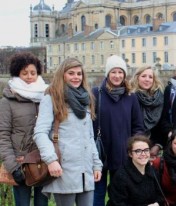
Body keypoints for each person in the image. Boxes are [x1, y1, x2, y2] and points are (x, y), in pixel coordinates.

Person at [33, 58, 103, 206]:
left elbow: (90, 136)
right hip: (64, 167)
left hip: (86, 169)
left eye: (79, 73)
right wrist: (51, 160)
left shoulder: (87, 98)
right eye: (71, 73)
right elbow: (40, 133)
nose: (76, 77)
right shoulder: (52, 97)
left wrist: (96, 164)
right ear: (62, 74)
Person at [92, 55, 144, 206]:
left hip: (122, 154)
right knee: (97, 194)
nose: (117, 76)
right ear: (107, 74)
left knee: (119, 196)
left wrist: (134, 148)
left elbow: (138, 126)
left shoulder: (131, 97)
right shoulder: (96, 94)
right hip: (100, 153)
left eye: (120, 72)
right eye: (113, 72)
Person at [0, 52, 49, 206]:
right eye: (24, 73)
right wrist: (13, 166)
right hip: (20, 163)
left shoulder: (46, 96)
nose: (29, 77)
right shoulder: (7, 101)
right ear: (17, 74)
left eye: (33, 73)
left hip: (43, 161)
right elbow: (3, 135)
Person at [107, 135, 164, 206]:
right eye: (138, 151)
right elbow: (118, 203)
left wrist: (157, 203)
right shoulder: (121, 176)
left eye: (146, 150)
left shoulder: (153, 171)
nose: (143, 154)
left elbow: (161, 196)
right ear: (130, 154)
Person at [130, 66, 164, 157]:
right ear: (137, 78)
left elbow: (162, 124)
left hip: (154, 147)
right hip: (134, 145)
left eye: (150, 77)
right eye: (143, 76)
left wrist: (158, 145)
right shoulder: (130, 97)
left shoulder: (159, 98)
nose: (147, 79)